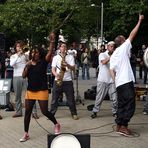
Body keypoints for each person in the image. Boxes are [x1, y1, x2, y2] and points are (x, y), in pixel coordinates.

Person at [20, 32, 61, 142]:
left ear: (40, 54)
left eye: (37, 52)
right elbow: (23, 76)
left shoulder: (43, 62)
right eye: (33, 52)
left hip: (41, 90)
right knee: (27, 112)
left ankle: (56, 124)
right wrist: (27, 66)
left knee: (44, 111)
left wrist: (52, 41)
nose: (35, 54)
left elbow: (50, 52)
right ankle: (26, 133)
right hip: (30, 91)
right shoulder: (29, 63)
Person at [110, 14, 144, 136]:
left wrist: (115, 81)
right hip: (125, 81)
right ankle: (124, 126)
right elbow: (132, 34)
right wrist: (139, 21)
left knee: (122, 103)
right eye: (125, 39)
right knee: (130, 103)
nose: (127, 40)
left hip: (119, 83)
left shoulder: (113, 54)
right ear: (122, 42)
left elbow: (111, 71)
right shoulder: (123, 48)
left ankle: (119, 125)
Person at [50, 42, 79, 120]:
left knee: (71, 99)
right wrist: (56, 75)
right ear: (59, 48)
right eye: (62, 47)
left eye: (65, 47)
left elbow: (73, 68)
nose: (64, 48)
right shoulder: (56, 57)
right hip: (58, 80)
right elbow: (53, 69)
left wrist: (68, 65)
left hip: (68, 80)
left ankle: (74, 113)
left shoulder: (70, 57)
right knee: (54, 99)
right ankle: (51, 114)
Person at [91, 41, 117, 119]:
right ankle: (95, 111)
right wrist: (112, 56)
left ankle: (115, 112)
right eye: (111, 46)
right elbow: (104, 62)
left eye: (113, 46)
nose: (112, 48)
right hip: (102, 80)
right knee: (99, 97)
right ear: (107, 47)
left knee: (115, 98)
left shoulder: (115, 56)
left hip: (112, 80)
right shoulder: (102, 54)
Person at [10, 40, 28, 118]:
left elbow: (31, 61)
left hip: (25, 76)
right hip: (16, 77)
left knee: (29, 95)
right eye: (17, 46)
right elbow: (11, 64)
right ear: (16, 47)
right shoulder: (13, 56)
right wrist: (18, 55)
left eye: (20, 46)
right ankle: (18, 112)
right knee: (17, 96)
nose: (19, 48)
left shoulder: (26, 55)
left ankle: (33, 112)